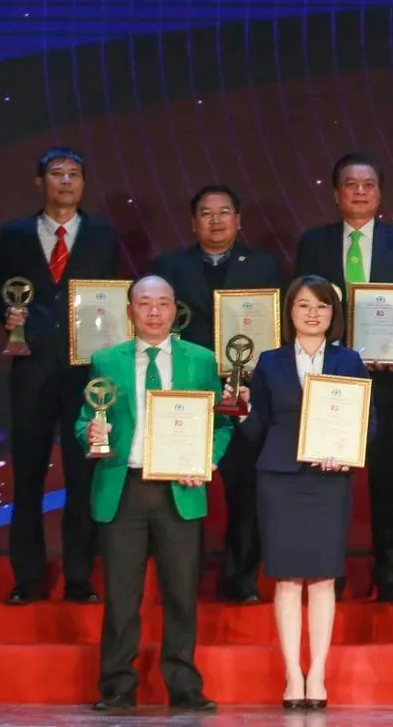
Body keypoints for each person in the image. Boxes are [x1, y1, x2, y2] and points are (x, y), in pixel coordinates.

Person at [76, 275, 230, 714]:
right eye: (145, 303)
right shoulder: (106, 360)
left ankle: (184, 685)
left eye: (163, 302)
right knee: (122, 595)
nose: (155, 312)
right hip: (123, 486)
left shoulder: (201, 360)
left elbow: (221, 422)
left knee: (181, 593)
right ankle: (117, 687)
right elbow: (84, 419)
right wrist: (90, 433)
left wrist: (205, 459)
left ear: (175, 309)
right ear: (130, 311)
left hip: (179, 488)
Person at [0, 146, 125, 605]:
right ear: (39, 182)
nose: (66, 181)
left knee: (84, 476)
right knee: (27, 475)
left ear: (83, 183)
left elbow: (115, 292)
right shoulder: (16, 233)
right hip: (32, 366)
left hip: (88, 372)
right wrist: (9, 315)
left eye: (74, 174)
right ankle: (27, 578)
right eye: (57, 173)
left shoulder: (103, 233)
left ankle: (79, 578)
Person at [293, 152, 393, 602]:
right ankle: (327, 575)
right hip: (329, 379)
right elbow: (298, 305)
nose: (359, 192)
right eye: (350, 184)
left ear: (380, 193)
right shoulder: (314, 243)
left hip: (387, 382)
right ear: (336, 194)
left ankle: (390, 577)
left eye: (368, 185)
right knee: (328, 480)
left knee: (387, 482)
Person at [240, 275, 369, 710]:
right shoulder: (269, 362)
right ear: (290, 312)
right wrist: (240, 410)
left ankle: (317, 674)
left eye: (322, 306)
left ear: (334, 313)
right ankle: (292, 675)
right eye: (303, 305)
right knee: (288, 579)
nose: (313, 314)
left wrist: (347, 453)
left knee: (324, 577)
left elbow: (366, 421)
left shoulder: (349, 360)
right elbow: (257, 429)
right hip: (280, 478)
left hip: (328, 480)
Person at [153, 183, 284, 604]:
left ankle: (240, 580)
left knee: (245, 492)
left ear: (238, 220)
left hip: (244, 393)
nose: (216, 220)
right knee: (182, 488)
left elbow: (277, 331)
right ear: (193, 222)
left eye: (224, 212)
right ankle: (181, 581)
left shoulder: (264, 266)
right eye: (206, 213)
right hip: (187, 392)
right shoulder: (169, 267)